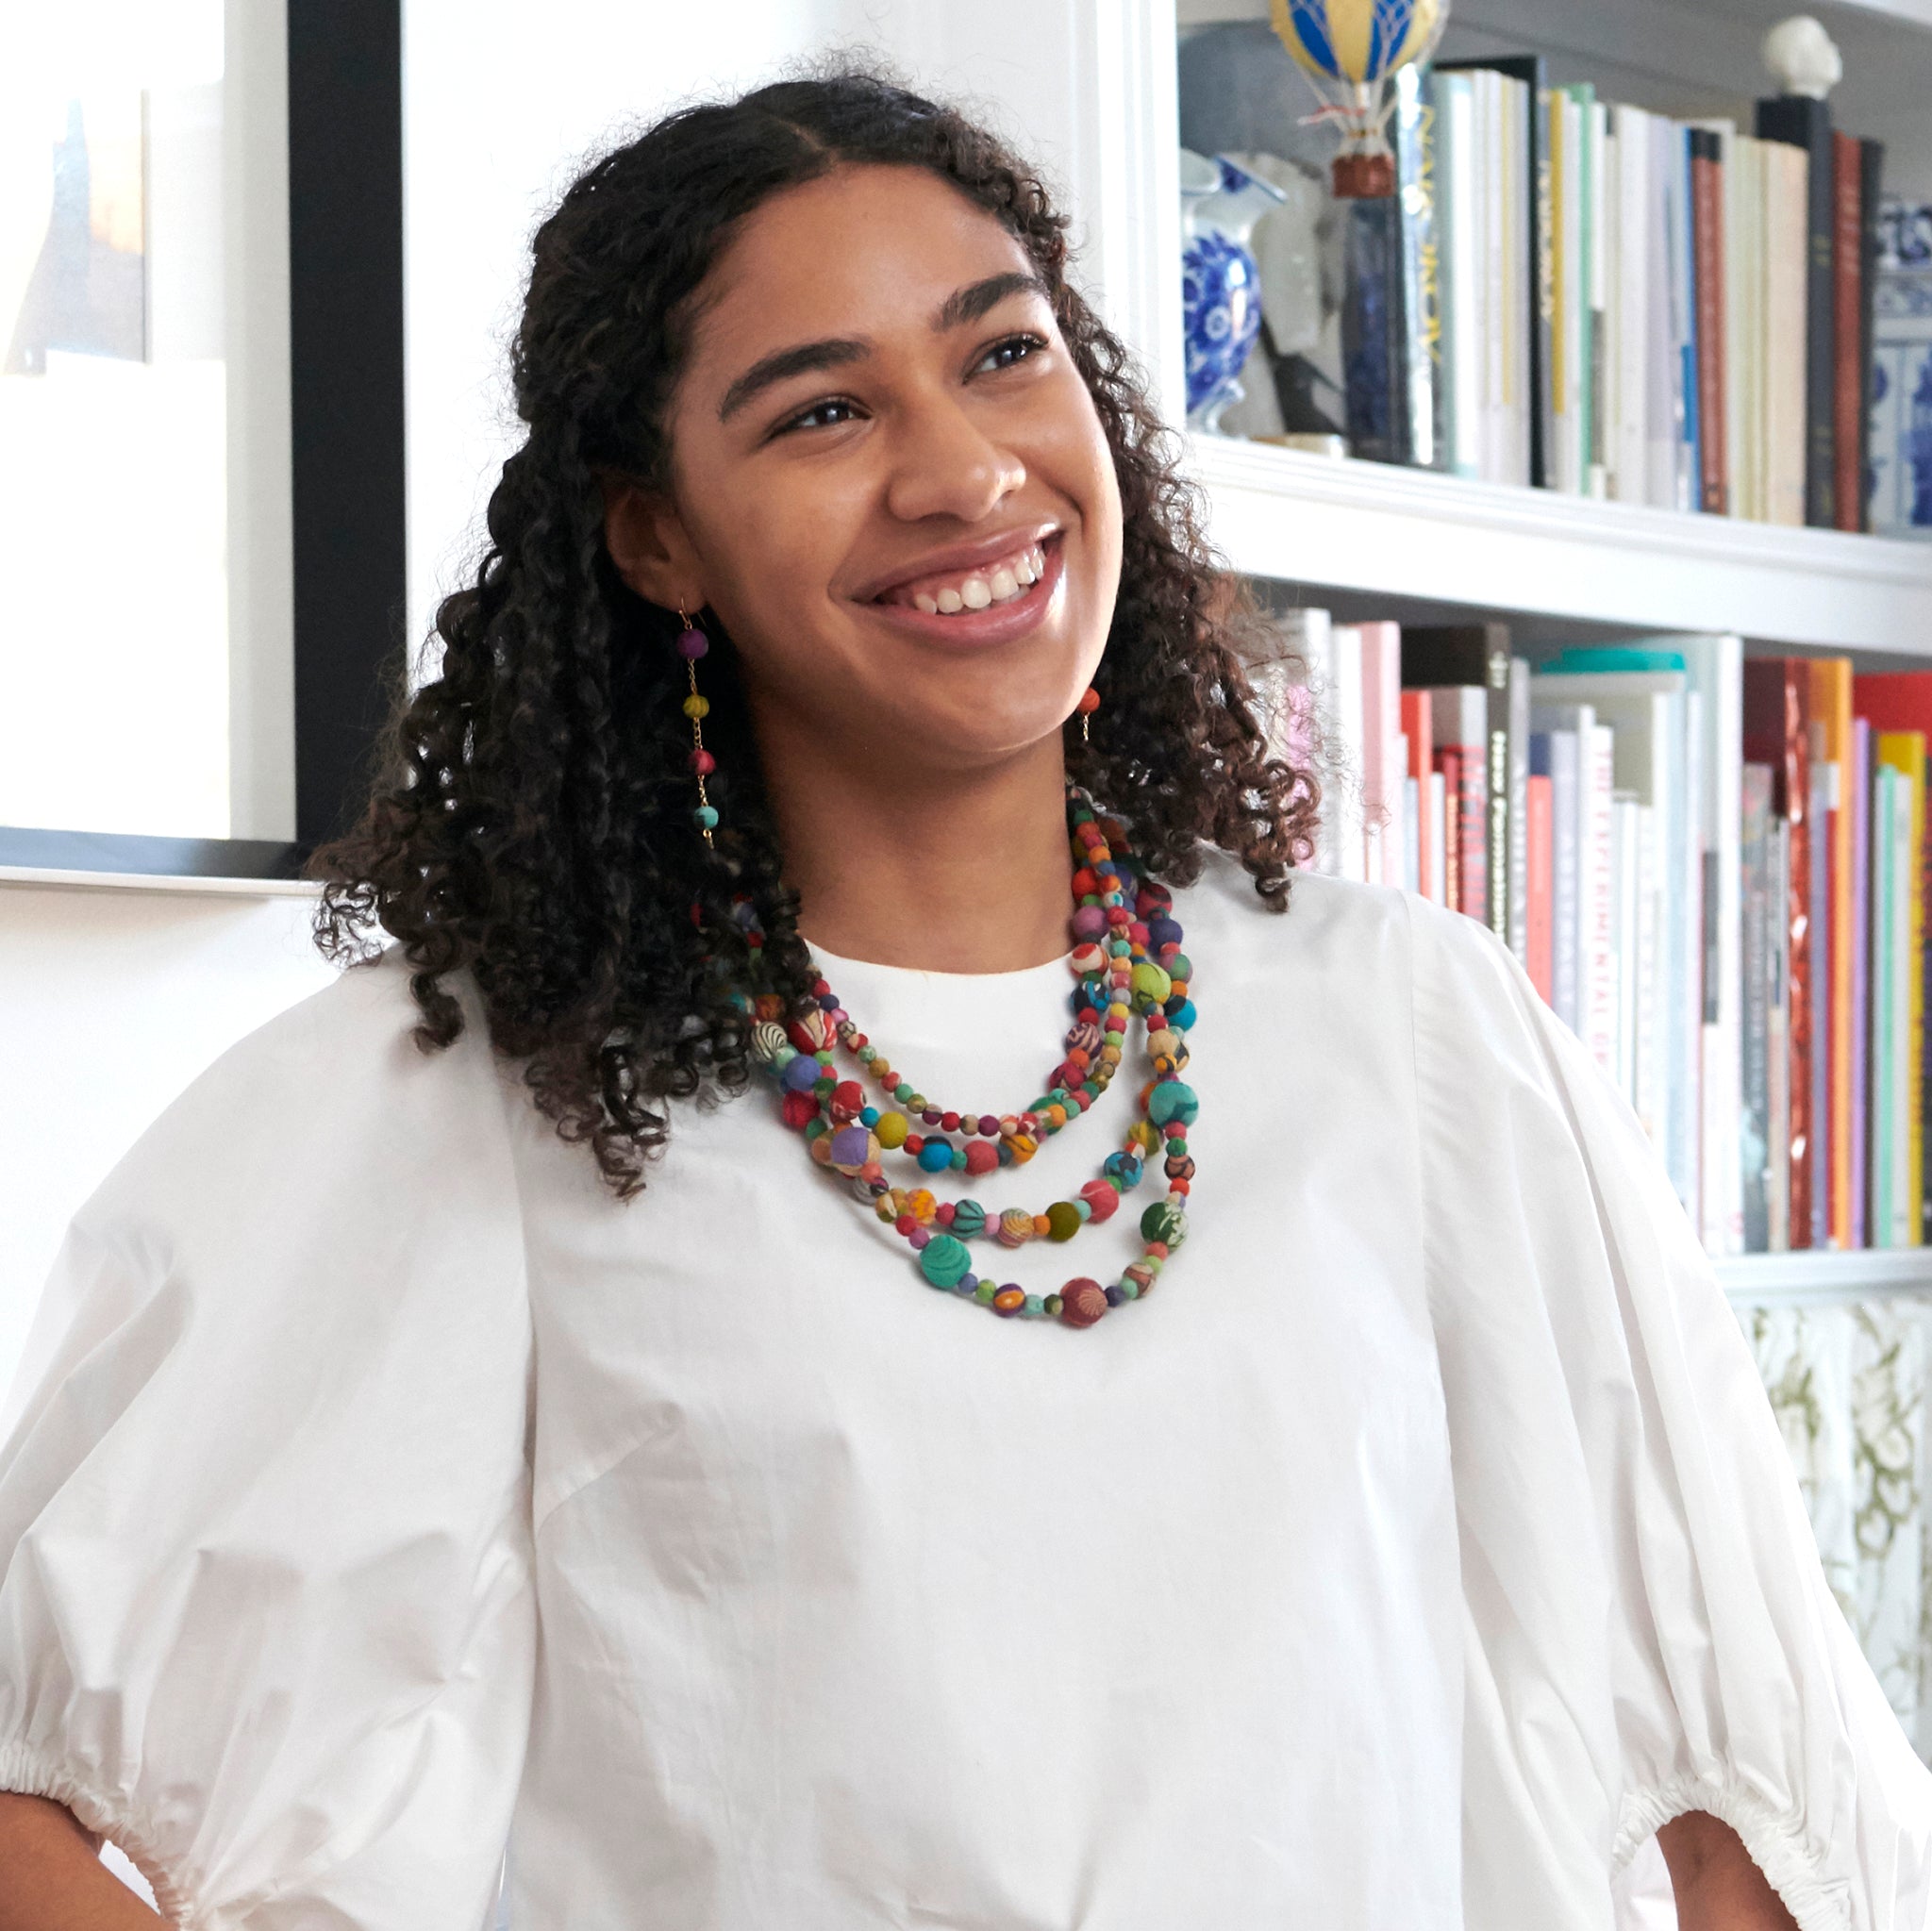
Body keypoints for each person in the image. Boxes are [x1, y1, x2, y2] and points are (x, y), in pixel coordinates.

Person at [0, 69, 1924, 1931]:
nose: (961, 469)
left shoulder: (1416, 1027)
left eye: (1003, 352)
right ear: (651, 529)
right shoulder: (486, 1096)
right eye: (821, 411)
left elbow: (1740, 1812)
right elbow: (44, 1812)